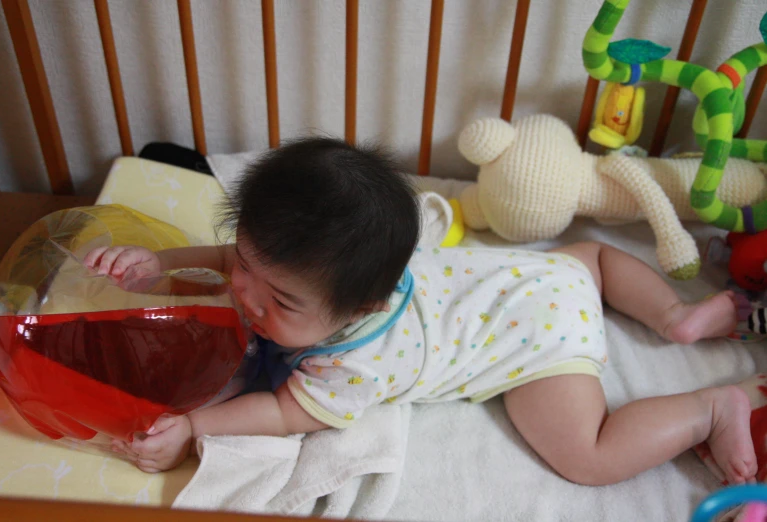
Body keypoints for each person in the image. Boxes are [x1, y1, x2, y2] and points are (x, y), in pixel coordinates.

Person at [85, 138, 754, 486]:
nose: (244, 296)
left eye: (279, 301)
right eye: (243, 265)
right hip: (552, 271)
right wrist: (160, 264)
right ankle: (675, 316)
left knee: (586, 455)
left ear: (364, 308)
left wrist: (193, 426)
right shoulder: (324, 268)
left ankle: (709, 408)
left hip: (535, 342)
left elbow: (283, 413)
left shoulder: (349, 360)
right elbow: (235, 262)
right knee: (593, 257)